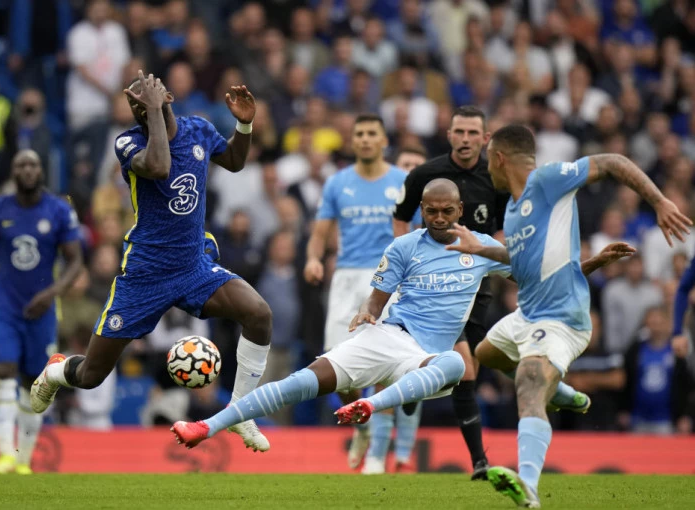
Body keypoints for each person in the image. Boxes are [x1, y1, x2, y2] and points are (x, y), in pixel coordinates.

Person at [171, 179, 632, 450]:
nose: (438, 218)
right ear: (422, 211)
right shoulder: (404, 246)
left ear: (460, 210)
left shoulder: (482, 248)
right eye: (430, 211)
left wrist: (595, 262)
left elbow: (544, 276)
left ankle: (370, 406)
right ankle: (206, 427)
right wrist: (365, 313)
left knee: (458, 363)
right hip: (387, 336)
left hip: (424, 360)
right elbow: (376, 299)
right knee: (301, 381)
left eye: (446, 211)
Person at [447, 124, 691, 508]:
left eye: (487, 159)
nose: (485, 167)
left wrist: (659, 202)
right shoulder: (513, 210)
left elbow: (612, 161)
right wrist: (482, 249)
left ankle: (528, 486)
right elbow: (524, 267)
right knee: (486, 353)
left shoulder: (547, 180)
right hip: (528, 314)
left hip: (561, 319)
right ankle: (559, 391)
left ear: (499, 158)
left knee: (528, 379)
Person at [29, 71, 274, 452]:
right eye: (135, 103)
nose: (140, 106)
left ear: (168, 96)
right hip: (145, 275)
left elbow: (235, 160)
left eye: (148, 97)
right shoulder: (128, 142)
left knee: (258, 314)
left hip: (193, 266)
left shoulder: (198, 129)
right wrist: (156, 112)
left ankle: (241, 410)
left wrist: (244, 125)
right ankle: (57, 372)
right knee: (91, 375)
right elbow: (159, 166)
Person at [0, 149, 84, 474]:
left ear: (41, 171)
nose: (28, 169)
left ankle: (23, 461)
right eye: (21, 164)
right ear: (13, 171)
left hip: (42, 311)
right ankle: (5, 455)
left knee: (33, 382)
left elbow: (75, 261)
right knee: (4, 370)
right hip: (4, 308)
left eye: (33, 164)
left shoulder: (58, 210)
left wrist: (51, 293)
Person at [392, 106, 508, 479]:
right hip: (431, 283)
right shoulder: (424, 175)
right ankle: (479, 461)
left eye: (473, 133)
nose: (465, 139)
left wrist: (492, 257)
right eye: (459, 131)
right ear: (449, 135)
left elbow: (502, 230)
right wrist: (407, 263)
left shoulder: (497, 178)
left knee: (462, 370)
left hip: (475, 283)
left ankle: (414, 386)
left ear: (485, 138)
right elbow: (400, 217)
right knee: (465, 368)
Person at [303, 113, 409, 470]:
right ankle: (362, 427)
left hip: (388, 276)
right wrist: (314, 259)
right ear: (353, 141)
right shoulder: (337, 183)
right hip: (347, 277)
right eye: (359, 133)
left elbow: (415, 232)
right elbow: (320, 232)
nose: (364, 139)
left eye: (371, 133)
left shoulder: (402, 181)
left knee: (385, 366)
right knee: (335, 361)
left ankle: (377, 453)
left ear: (383, 141)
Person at [364, 143, 428, 474]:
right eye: (406, 164)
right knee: (382, 370)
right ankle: (376, 452)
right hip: (377, 287)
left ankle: (403, 456)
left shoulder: (431, 208)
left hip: (418, 295)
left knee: (414, 372)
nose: (410, 171)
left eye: (417, 165)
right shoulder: (384, 202)